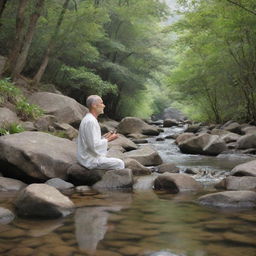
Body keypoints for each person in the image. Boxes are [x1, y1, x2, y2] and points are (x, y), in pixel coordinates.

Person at [77, 95, 125, 170]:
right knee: (120, 163)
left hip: (87, 156)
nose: (104, 105)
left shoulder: (89, 119)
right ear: (94, 105)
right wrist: (109, 139)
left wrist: (105, 137)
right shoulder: (90, 121)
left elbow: (91, 141)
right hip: (89, 160)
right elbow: (93, 145)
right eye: (102, 103)